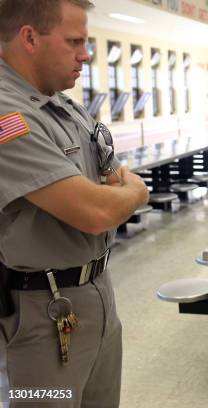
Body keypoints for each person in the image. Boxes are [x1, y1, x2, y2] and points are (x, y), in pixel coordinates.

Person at [0, 0, 149, 407]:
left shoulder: (65, 106)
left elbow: (113, 178)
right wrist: (133, 193)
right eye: (74, 41)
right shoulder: (7, 116)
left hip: (98, 293)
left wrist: (116, 191)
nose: (86, 54)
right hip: (43, 314)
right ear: (29, 37)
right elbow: (97, 211)